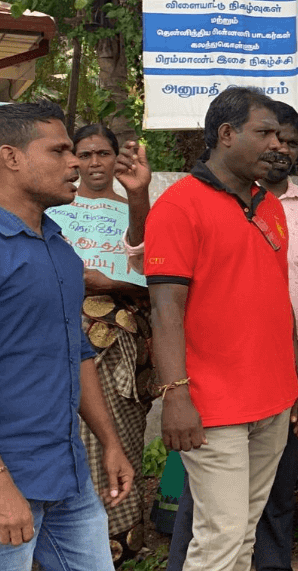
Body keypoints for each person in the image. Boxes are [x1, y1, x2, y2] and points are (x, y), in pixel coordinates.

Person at [145, 87, 298, 571]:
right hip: (213, 405)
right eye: (265, 133)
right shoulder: (178, 206)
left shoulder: (269, 205)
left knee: (243, 533)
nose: (277, 144)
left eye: (280, 135)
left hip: (273, 399)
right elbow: (165, 310)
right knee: (220, 538)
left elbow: (278, 301)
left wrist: (297, 380)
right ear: (226, 134)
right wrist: (175, 396)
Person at [0, 100, 136, 569]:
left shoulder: (59, 248)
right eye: (58, 150)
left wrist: (109, 441)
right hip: (9, 481)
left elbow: (76, 352)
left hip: (67, 472)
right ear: (10, 157)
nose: (75, 162)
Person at [61, 124, 155, 564]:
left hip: (124, 348)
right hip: (66, 341)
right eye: (85, 154)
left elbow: (155, 276)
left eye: (103, 153)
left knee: (121, 437)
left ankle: (122, 544)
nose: (95, 162)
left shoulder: (135, 210)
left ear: (117, 158)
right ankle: (72, 543)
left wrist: (110, 283)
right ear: (73, 160)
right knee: (75, 438)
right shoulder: (56, 209)